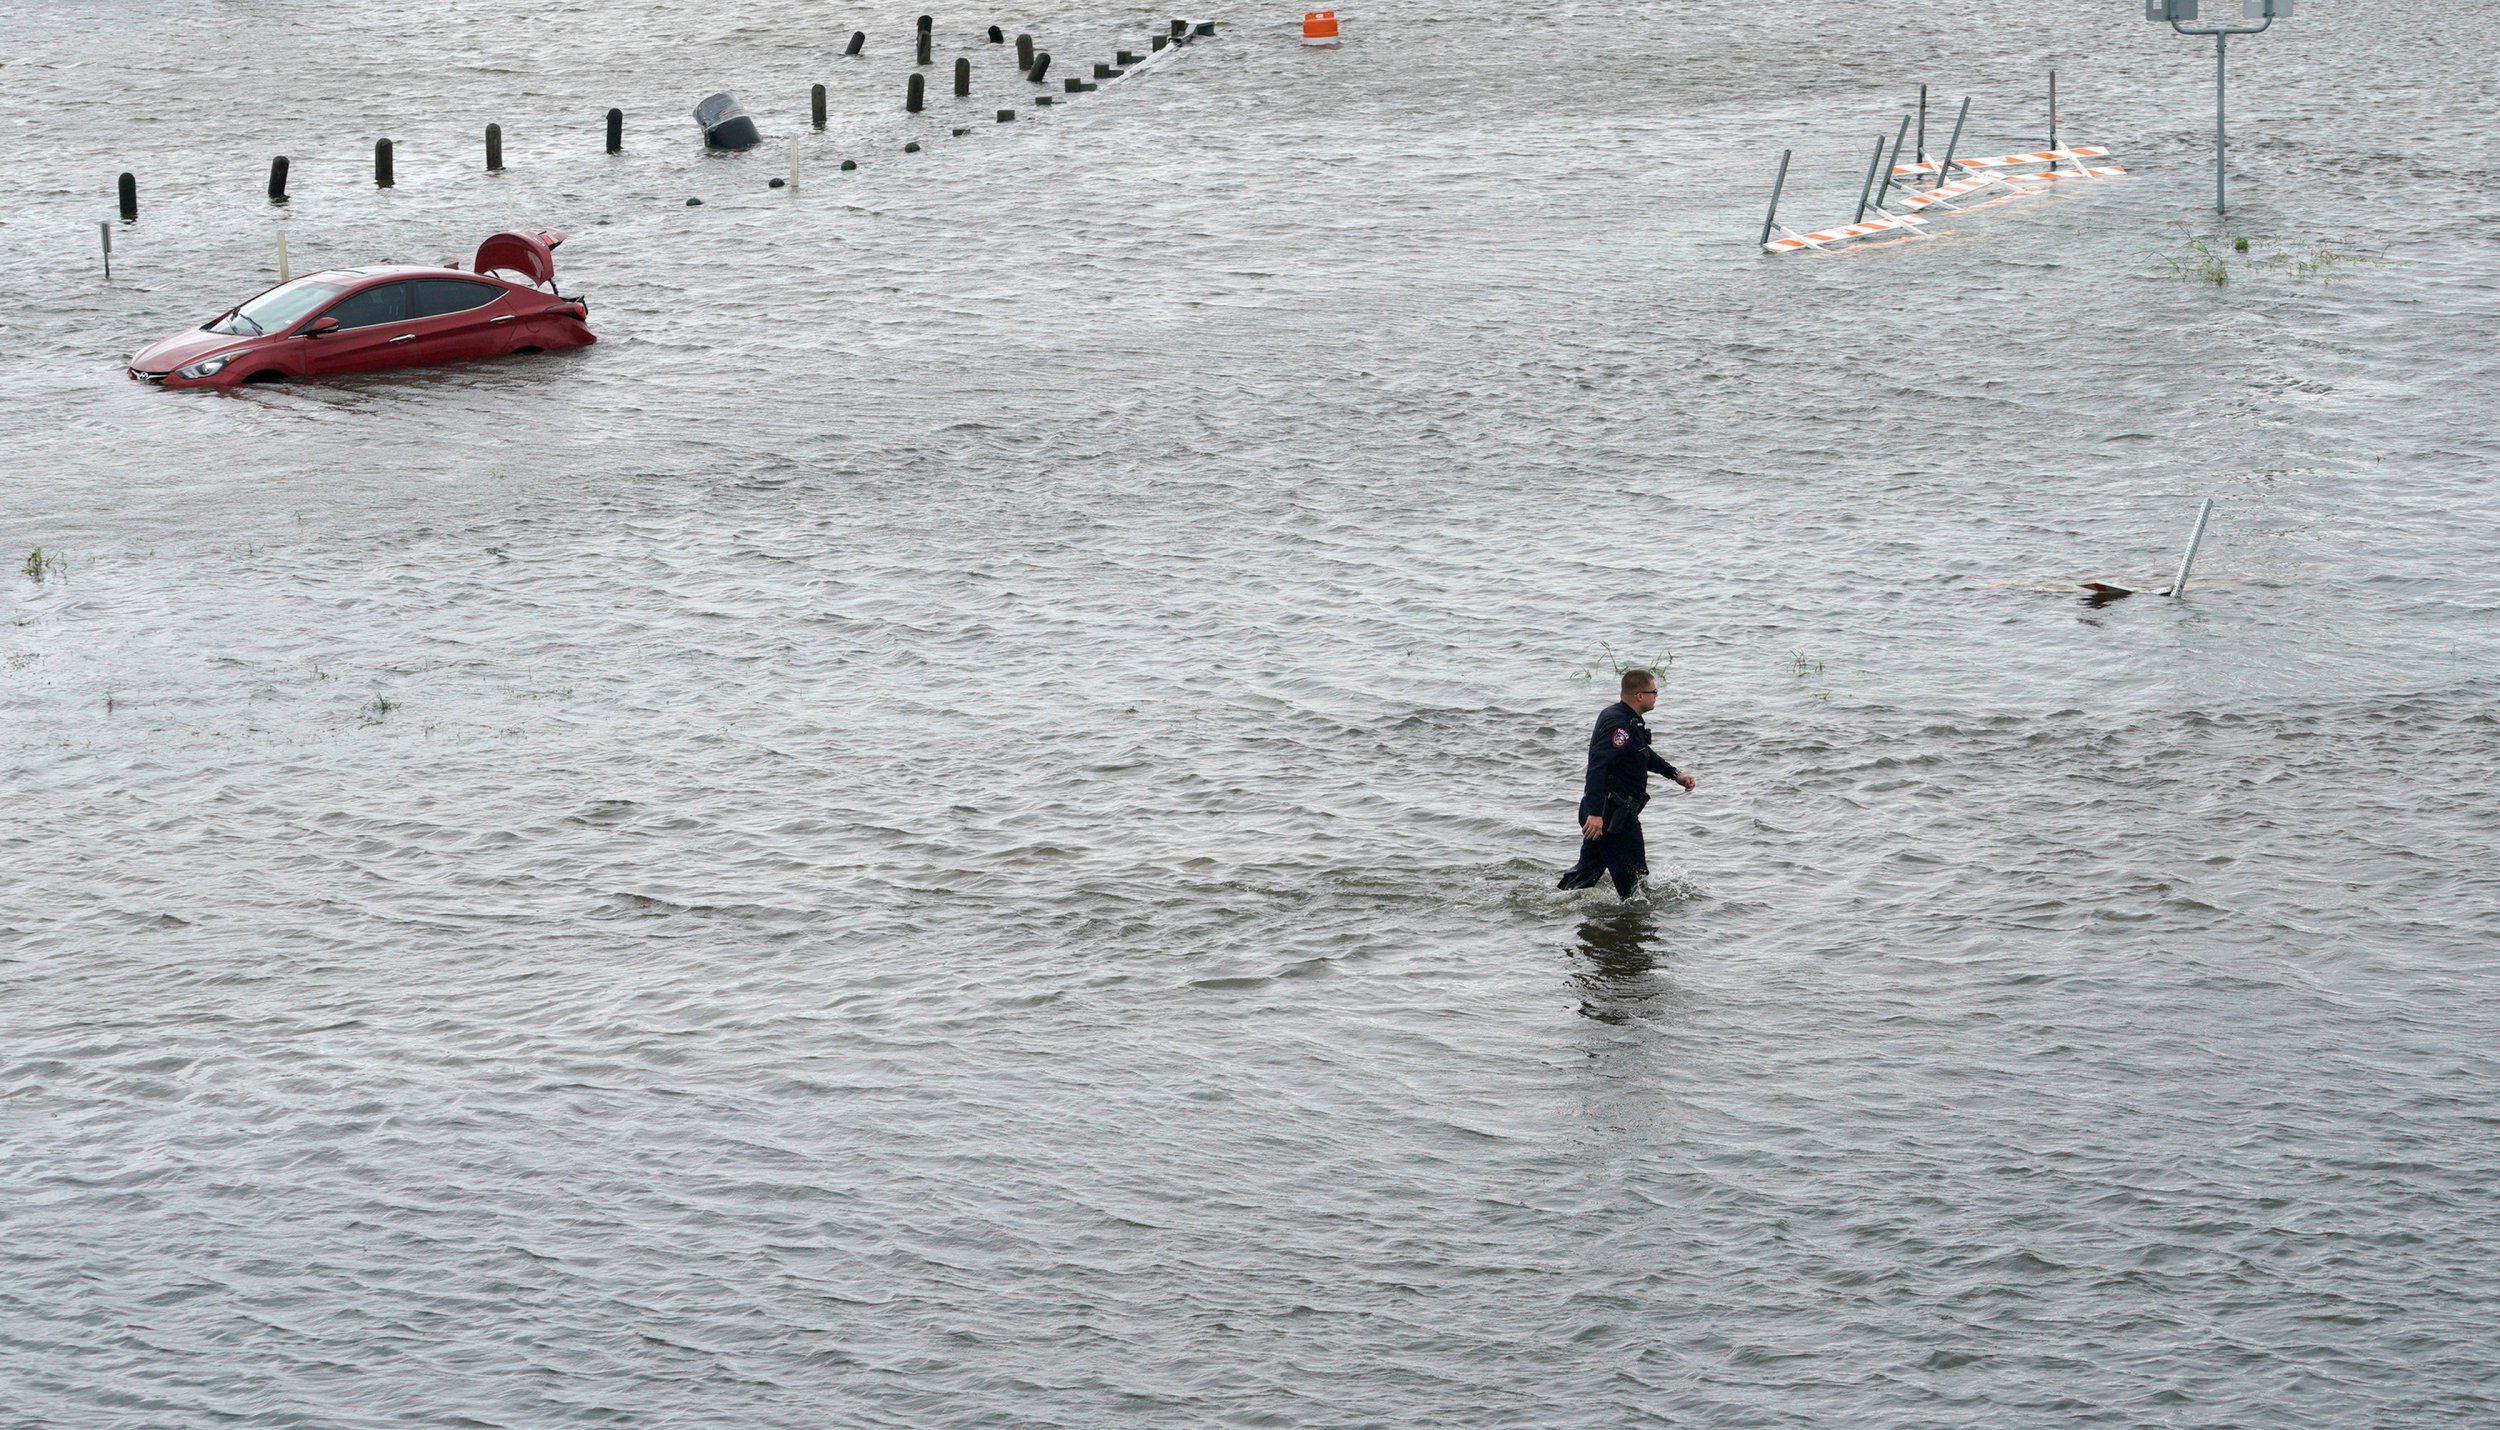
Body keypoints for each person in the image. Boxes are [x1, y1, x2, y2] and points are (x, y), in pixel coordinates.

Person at [1558, 668, 1695, 900]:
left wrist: (1675, 774)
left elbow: (1642, 753)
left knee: (1584, 877)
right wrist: (1595, 814)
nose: (1656, 696)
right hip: (1611, 818)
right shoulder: (1617, 725)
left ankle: (1550, 908)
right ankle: (1635, 928)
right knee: (1636, 887)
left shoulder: (1629, 720)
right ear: (1639, 696)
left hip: (1607, 815)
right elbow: (1597, 767)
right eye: (1654, 691)